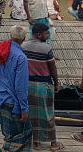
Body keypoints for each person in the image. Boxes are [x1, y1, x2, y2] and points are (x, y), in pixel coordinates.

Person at [21, 23, 62, 151]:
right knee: (48, 114)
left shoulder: (23, 46)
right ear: (39, 34)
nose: (47, 35)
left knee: (32, 115)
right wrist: (56, 83)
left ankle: (36, 142)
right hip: (43, 85)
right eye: (46, 33)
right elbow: (52, 68)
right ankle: (53, 143)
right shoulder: (46, 48)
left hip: (27, 85)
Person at [0, 25, 32, 151]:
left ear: (10, 35)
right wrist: (24, 108)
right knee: (22, 135)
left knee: (9, 135)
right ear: (24, 38)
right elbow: (21, 86)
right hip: (13, 102)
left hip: (1, 97)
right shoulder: (21, 58)